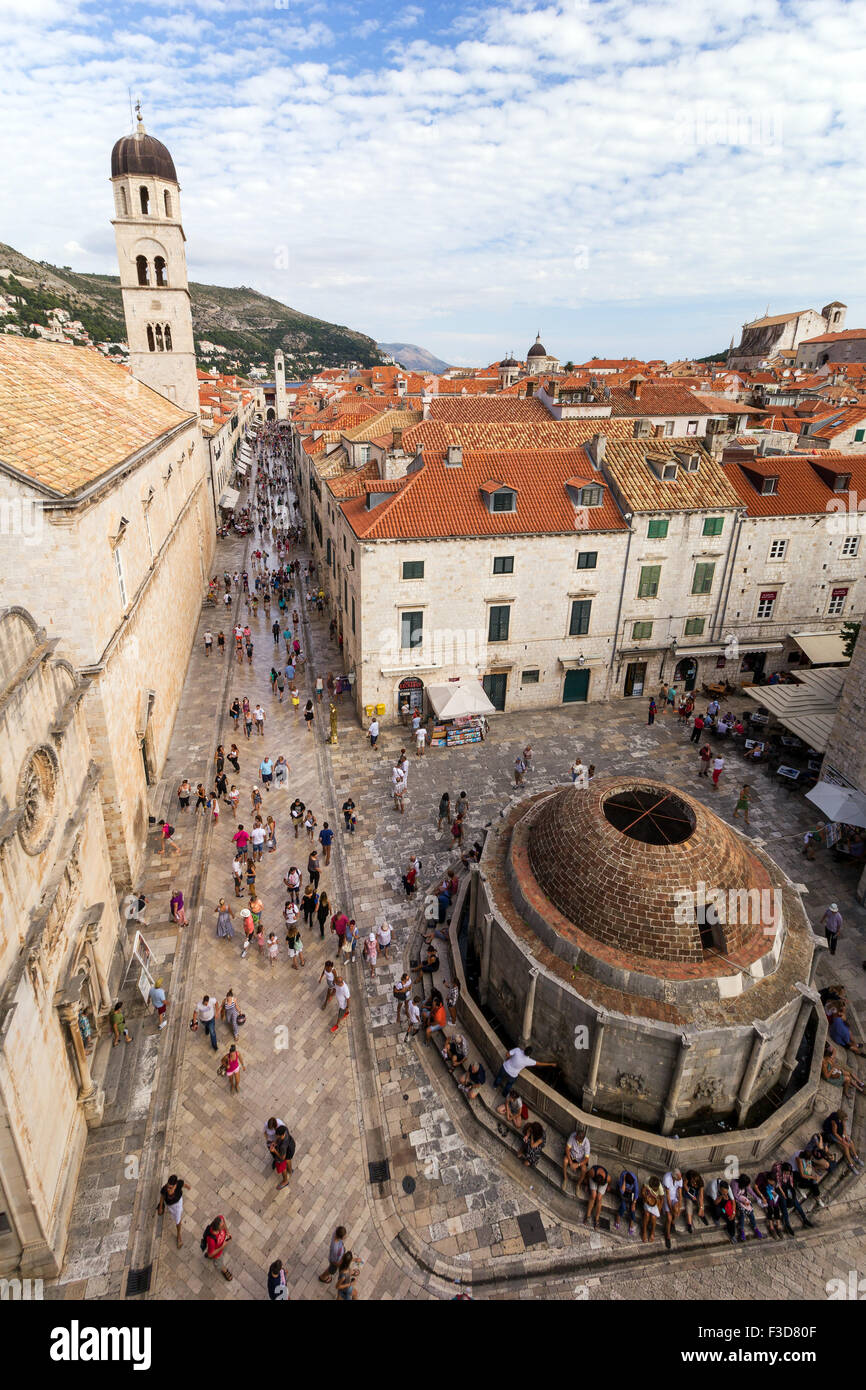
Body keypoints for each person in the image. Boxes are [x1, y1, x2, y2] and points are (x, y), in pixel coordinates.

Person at [157, 1174, 186, 1248]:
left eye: (170, 1188)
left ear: (175, 1186)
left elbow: (183, 1184)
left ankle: (178, 1235)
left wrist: (188, 1187)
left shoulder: (179, 1184)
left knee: (177, 1220)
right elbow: (162, 1196)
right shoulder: (165, 1188)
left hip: (177, 1204)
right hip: (170, 1205)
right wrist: (160, 1207)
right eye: (168, 1187)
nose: (168, 1189)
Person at [202, 1215, 233, 1281]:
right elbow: (211, 1254)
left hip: (222, 1244)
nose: (224, 1225)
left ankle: (208, 1253)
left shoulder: (220, 1218)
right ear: (218, 1228)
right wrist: (223, 1246)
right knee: (219, 1264)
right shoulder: (211, 1240)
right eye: (222, 1226)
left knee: (210, 1251)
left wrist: (227, 1232)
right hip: (217, 1254)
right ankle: (225, 1271)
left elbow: (224, 1223)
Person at [562, 1127, 590, 1193]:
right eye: (576, 1135)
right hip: (572, 1155)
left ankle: (578, 1185)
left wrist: (578, 1165)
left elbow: (586, 1159)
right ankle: (565, 1178)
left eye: (576, 1137)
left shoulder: (587, 1143)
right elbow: (567, 1149)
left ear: (581, 1139)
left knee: (584, 1170)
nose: (575, 1136)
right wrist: (571, 1163)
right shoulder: (573, 1135)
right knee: (565, 1161)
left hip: (580, 1159)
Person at [662, 1168, 683, 1249]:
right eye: (678, 1178)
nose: (680, 1180)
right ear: (674, 1177)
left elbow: (680, 1194)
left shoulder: (679, 1178)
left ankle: (673, 1223)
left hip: (674, 1198)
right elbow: (667, 1196)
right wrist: (670, 1209)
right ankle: (667, 1236)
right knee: (669, 1218)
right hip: (667, 1198)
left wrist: (679, 1207)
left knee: (676, 1211)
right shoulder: (667, 1178)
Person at [615, 1169, 639, 1235]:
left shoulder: (634, 1180)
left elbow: (636, 1192)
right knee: (623, 1206)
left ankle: (631, 1223)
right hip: (622, 1191)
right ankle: (618, 1217)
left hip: (631, 1194)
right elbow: (622, 1191)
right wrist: (624, 1181)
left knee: (632, 1209)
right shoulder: (623, 1175)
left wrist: (634, 1203)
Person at [641, 1176, 664, 1244]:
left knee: (653, 1217)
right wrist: (646, 1198)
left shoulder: (660, 1188)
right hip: (648, 1200)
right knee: (647, 1215)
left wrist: (659, 1210)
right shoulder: (647, 1180)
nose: (655, 1190)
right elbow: (643, 1191)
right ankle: (644, 1232)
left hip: (656, 1203)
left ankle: (652, 1232)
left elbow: (662, 1199)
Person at [585, 1162, 608, 1227]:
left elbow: (609, 1182)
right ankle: (588, 1215)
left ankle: (597, 1218)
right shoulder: (592, 1172)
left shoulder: (607, 1178)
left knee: (599, 1198)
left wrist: (608, 1187)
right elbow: (587, 1175)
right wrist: (587, 1184)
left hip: (603, 1181)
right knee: (593, 1195)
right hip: (594, 1177)